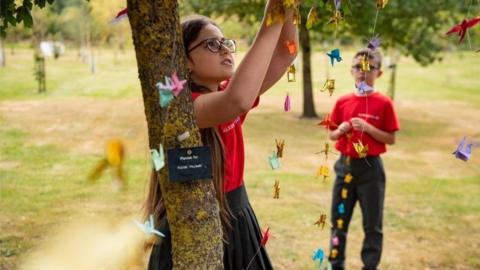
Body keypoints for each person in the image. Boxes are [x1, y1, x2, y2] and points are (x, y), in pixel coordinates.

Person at [146, 1, 298, 269]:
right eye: (211, 45)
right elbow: (236, 100)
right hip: (195, 229)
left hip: (236, 219)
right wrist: (271, 16)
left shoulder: (225, 92)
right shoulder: (183, 108)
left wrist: (288, 9)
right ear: (185, 61)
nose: (225, 49)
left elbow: (286, 53)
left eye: (225, 42)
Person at [327, 48, 400, 270]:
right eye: (358, 67)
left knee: (372, 225)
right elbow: (331, 135)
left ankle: (370, 266)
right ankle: (335, 264)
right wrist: (340, 130)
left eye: (369, 68)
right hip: (345, 168)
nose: (363, 72)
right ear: (351, 71)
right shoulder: (343, 101)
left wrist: (368, 128)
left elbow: (391, 138)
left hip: (371, 170)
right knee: (339, 223)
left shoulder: (384, 103)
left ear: (378, 73)